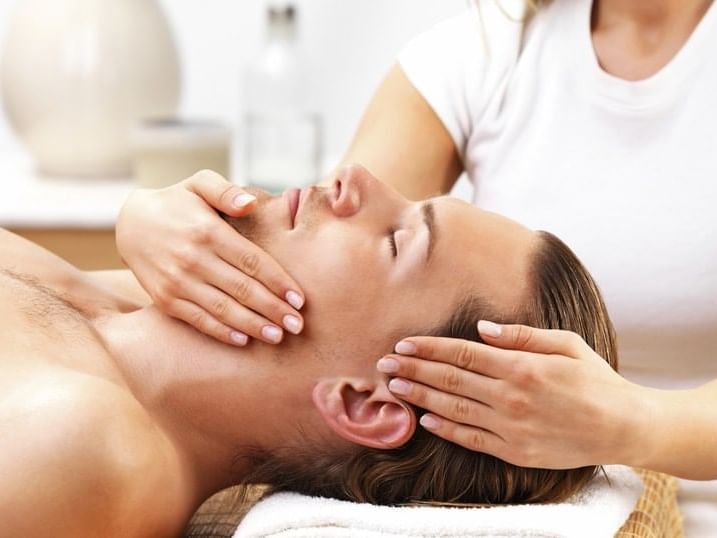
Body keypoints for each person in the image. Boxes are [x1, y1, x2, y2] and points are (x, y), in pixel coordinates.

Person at [121, 0, 717, 535]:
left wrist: (635, 423)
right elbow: (314, 293)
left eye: (404, 238)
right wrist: (153, 223)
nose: (343, 182)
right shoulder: (489, 48)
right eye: (404, 236)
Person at [2, 166, 618, 537]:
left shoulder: (82, 448)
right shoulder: (93, 307)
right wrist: (136, 214)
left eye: (398, 240)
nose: (357, 176)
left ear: (367, 404)